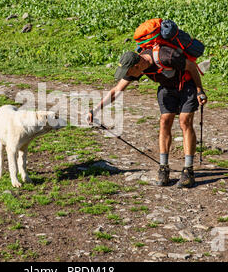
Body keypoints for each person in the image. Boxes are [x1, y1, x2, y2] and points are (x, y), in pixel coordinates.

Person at [87, 45, 207, 188]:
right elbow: (116, 90)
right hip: (166, 89)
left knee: (185, 122)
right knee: (164, 122)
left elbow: (192, 66)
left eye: (129, 71)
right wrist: (94, 110)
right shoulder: (136, 67)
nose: (128, 75)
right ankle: (164, 168)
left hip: (187, 86)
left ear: (137, 66)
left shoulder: (166, 57)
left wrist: (200, 90)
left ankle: (188, 171)